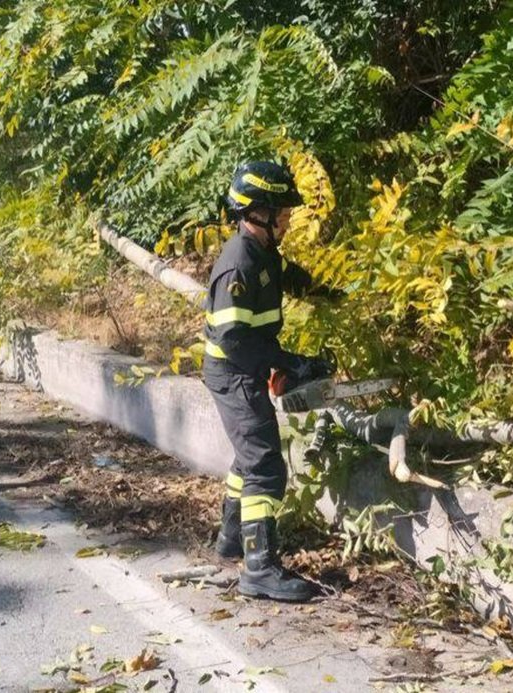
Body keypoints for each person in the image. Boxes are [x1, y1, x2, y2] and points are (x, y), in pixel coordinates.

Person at [202, 160, 335, 602]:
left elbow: (282, 276)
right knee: (264, 463)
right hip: (234, 370)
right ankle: (258, 568)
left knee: (248, 456)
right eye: (282, 212)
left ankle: (232, 539)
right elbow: (234, 338)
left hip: (245, 368)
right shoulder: (238, 264)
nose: (288, 219)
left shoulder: (261, 251)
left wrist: (326, 293)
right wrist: (288, 362)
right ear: (257, 212)